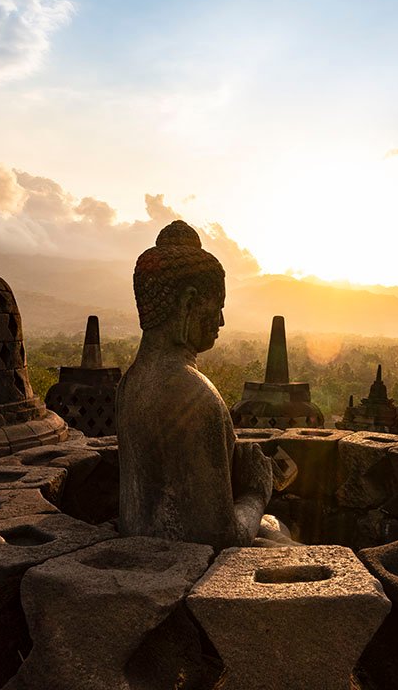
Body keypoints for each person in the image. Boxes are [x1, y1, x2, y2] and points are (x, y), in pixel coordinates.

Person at [116, 220, 274, 550]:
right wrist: (257, 492)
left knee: (273, 529)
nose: (220, 322)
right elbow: (220, 538)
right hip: (181, 564)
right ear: (188, 304)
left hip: (134, 545)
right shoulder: (196, 397)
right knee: (286, 539)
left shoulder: (129, 384)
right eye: (216, 309)